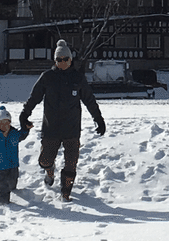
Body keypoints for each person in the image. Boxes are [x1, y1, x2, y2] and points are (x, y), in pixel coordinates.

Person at [19, 39, 106, 201]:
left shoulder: (77, 78)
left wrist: (98, 119)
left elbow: (89, 100)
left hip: (72, 129)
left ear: (70, 60)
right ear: (55, 61)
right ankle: (49, 171)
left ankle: (66, 193)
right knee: (45, 160)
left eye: (65, 59)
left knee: (71, 164)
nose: (62, 62)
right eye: (59, 60)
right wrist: (24, 114)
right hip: (51, 129)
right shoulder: (47, 77)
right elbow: (34, 98)